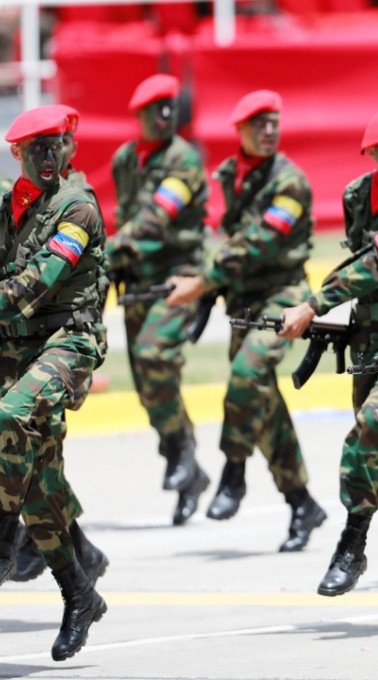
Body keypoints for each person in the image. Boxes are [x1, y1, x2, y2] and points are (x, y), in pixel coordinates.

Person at [278, 107, 378, 629]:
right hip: (370, 336)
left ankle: (352, 540)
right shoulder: (355, 195)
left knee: (374, 426)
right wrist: (336, 323)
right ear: (370, 153)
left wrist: (312, 304)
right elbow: (361, 264)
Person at [165, 90, 326, 551]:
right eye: (259, 124)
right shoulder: (233, 174)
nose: (270, 130)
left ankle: (233, 471)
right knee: (263, 404)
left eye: (274, 121)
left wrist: (203, 282)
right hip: (245, 305)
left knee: (247, 373)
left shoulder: (290, 182)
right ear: (240, 132)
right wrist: (211, 285)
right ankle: (301, 502)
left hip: (283, 296)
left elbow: (261, 242)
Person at [0, 106, 108, 661]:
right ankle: (79, 593)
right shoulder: (10, 207)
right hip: (16, 350)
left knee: (7, 416)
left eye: (56, 145)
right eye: (37, 147)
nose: (48, 155)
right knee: (40, 484)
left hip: (66, 345)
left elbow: (37, 282)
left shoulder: (77, 206)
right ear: (17, 153)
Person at [106, 73, 210, 526]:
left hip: (177, 277)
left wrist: (107, 250)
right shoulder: (125, 159)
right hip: (136, 284)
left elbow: (156, 218)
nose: (164, 116)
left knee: (153, 354)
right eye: (156, 110)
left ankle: (182, 451)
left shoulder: (183, 158)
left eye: (170, 108)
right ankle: (187, 468)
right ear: (140, 116)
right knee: (147, 386)